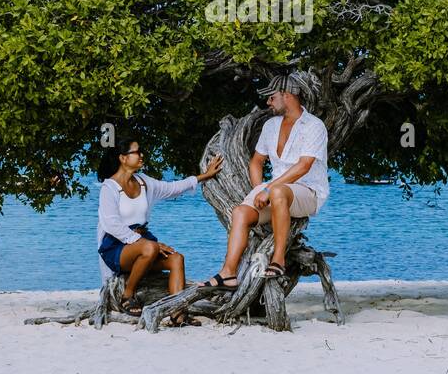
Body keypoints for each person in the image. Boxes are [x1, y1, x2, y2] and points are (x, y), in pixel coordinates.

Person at [202, 72, 329, 291]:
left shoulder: (314, 126)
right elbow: (256, 162)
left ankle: (278, 260)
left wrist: (269, 189)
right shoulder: (271, 126)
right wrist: (259, 190)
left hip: (308, 192)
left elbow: (304, 166)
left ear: (287, 95)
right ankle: (228, 273)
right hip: (276, 193)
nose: (268, 102)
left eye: (272, 97)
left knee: (279, 191)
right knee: (240, 213)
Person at [97, 134, 223, 323]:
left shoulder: (143, 182)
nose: (141, 155)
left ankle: (177, 313)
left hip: (142, 243)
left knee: (176, 259)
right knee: (151, 247)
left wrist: (204, 176)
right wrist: (145, 243)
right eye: (136, 152)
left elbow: (173, 187)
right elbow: (111, 224)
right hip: (116, 247)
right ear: (123, 158)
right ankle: (127, 295)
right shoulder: (109, 188)